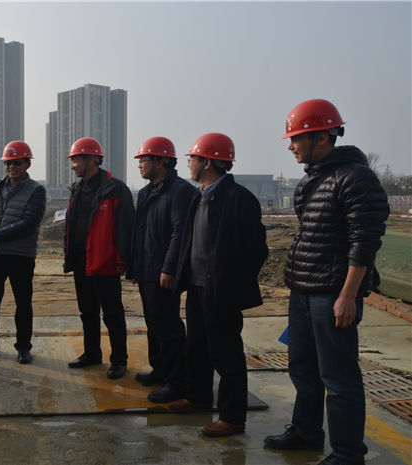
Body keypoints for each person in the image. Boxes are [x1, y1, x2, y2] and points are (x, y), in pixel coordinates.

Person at [264, 99, 389, 465]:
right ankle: (306, 432)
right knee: (303, 368)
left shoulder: (355, 176)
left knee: (339, 377)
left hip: (332, 295)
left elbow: (365, 240)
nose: (291, 146)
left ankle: (348, 454)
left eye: (296, 138)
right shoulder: (314, 178)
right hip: (303, 292)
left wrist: (348, 296)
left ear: (321, 136)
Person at [168, 133, 268, 438]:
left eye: (192, 159)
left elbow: (257, 250)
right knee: (196, 347)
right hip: (197, 286)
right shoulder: (199, 196)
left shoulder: (238, 198)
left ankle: (232, 416)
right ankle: (198, 396)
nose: (188, 164)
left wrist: (232, 280)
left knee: (226, 355)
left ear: (208, 162)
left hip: (221, 290)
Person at [126, 137, 194, 403]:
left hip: (163, 272)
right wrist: (134, 268)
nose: (139, 165)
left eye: (143, 159)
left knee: (168, 328)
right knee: (153, 325)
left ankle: (177, 383)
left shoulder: (180, 191)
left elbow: (180, 233)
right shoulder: (146, 192)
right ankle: (160, 370)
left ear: (160, 162)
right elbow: (139, 233)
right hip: (146, 270)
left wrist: (170, 268)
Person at [63, 137, 134, 379]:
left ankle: (119, 360)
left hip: (105, 261)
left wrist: (123, 260)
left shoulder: (115, 188)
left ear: (91, 160)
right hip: (80, 260)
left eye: (75, 160)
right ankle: (92, 354)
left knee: (112, 314)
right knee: (88, 311)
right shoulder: (76, 189)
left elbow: (126, 227)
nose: (72, 165)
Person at [0, 141, 47, 364]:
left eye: (16, 163)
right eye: (7, 163)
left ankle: (23, 346)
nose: (11, 167)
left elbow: (29, 223)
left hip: (20, 255)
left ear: (27, 164)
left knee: (22, 302)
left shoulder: (36, 190)